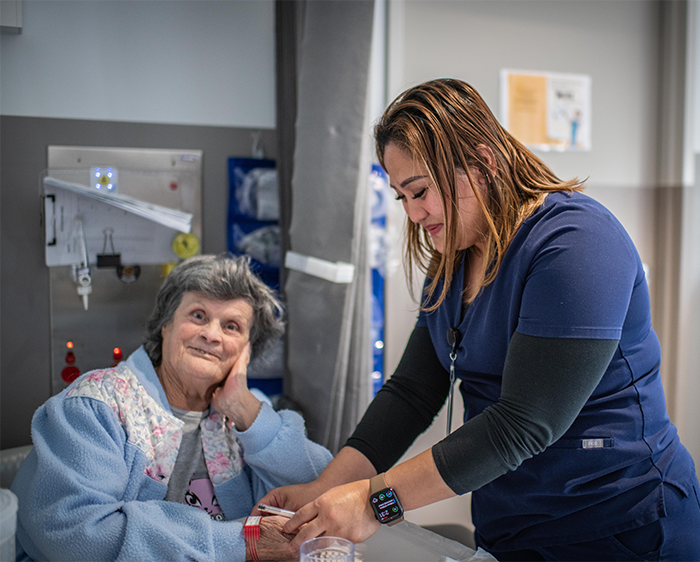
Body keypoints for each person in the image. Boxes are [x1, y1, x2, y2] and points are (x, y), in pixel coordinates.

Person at [257, 79, 700, 561]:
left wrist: (373, 502)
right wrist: (326, 487)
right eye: (401, 196)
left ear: (483, 162)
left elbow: (522, 424)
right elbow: (412, 392)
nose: (412, 213)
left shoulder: (578, 244)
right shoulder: (453, 257)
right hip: (510, 525)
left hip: (620, 525)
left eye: (420, 191)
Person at [12, 254, 332, 562]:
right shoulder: (94, 406)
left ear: (247, 350)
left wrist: (247, 411)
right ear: (165, 326)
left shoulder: (250, 414)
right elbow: (78, 536)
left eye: (231, 326)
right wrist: (242, 543)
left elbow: (322, 492)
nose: (211, 334)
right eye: (198, 316)